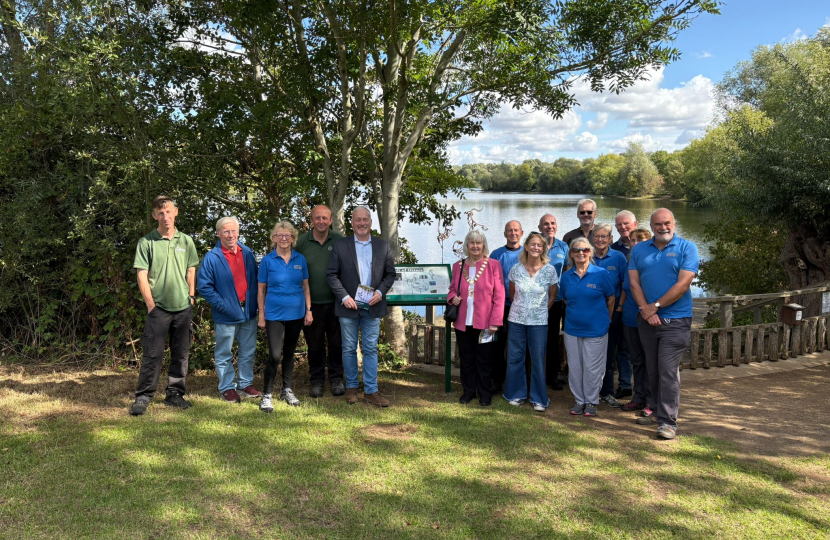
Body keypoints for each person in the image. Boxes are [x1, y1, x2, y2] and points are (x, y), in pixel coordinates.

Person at [629, 208, 699, 440]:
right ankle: (656, 409)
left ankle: (668, 422)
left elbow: (683, 284)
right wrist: (646, 311)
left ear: (674, 223)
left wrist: (655, 306)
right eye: (658, 224)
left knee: (668, 371)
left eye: (667, 223)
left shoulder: (687, 248)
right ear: (651, 226)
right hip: (648, 321)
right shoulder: (639, 249)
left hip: (676, 320)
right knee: (653, 369)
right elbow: (634, 284)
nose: (663, 227)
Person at [129, 195, 199, 416]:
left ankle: (175, 394)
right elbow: (142, 275)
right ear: (154, 216)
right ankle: (144, 396)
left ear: (175, 212)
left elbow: (191, 270)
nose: (165, 216)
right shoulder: (146, 242)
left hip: (182, 308)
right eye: (160, 213)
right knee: (152, 353)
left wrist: (190, 297)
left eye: (168, 211)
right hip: (158, 308)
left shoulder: (186, 241)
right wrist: (151, 305)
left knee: (181, 353)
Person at [327, 206, 396, 407]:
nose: (362, 223)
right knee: (348, 348)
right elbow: (331, 275)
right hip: (348, 306)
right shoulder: (341, 246)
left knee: (371, 349)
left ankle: (371, 390)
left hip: (372, 306)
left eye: (365, 219)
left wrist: (380, 292)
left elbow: (390, 274)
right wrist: (344, 297)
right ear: (352, 223)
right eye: (358, 220)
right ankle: (351, 388)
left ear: (370, 222)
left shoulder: (383, 246)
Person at [197, 216, 262, 403]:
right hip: (225, 315)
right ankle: (226, 387)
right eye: (226, 231)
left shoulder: (247, 253)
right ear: (218, 233)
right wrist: (223, 305)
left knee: (248, 351)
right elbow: (204, 287)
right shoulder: (212, 257)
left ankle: (244, 384)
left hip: (248, 312)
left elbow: (256, 281)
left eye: (234, 231)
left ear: (238, 232)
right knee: (224, 353)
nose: (230, 235)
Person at [257, 221, 313, 413]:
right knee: (274, 355)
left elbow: (306, 287)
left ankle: (287, 390)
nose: (283, 238)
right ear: (274, 238)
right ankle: (267, 394)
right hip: (274, 314)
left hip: (296, 313)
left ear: (293, 238)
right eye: (279, 235)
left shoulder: (300, 260)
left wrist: (309, 310)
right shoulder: (267, 261)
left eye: (287, 235)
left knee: (289, 354)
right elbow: (260, 290)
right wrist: (262, 316)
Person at [447, 230, 505, 406]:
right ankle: (469, 391)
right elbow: (451, 289)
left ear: (483, 245)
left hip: (485, 322)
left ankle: (485, 393)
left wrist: (495, 321)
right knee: (466, 358)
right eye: (471, 242)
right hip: (463, 321)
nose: (475, 246)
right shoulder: (458, 266)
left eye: (478, 243)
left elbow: (499, 295)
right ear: (467, 245)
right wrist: (452, 298)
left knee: (485, 359)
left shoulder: (493, 265)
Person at [559, 237, 615, 417]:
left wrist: (606, 319)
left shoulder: (601, 273)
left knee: (593, 368)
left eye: (585, 250)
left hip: (596, 329)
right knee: (575, 367)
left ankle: (591, 401)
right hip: (572, 329)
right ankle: (579, 400)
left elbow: (611, 299)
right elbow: (566, 299)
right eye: (576, 250)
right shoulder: (567, 276)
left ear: (590, 252)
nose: (581, 253)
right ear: (571, 254)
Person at [504, 232, 559, 412]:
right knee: (515, 358)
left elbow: (552, 297)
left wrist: (539, 311)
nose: (536, 248)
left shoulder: (550, 270)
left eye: (539, 245)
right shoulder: (516, 269)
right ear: (526, 246)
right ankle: (516, 394)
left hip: (539, 322)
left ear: (543, 249)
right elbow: (512, 295)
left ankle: (538, 398)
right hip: (516, 320)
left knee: (537, 359)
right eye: (532, 244)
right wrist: (523, 309)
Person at [295, 205, 345, 398]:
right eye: (318, 218)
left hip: (337, 303)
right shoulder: (302, 242)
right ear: (312, 220)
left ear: (331, 220)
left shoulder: (340, 241)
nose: (321, 221)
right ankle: (316, 380)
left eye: (325, 218)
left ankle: (336, 379)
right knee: (314, 344)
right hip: (311, 304)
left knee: (336, 343)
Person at [592, 223, 630, 408]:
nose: (600, 239)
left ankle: (606, 391)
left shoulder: (618, 257)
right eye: (597, 236)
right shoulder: (586, 256)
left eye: (603, 236)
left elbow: (624, 284)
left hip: (612, 310)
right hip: (591, 311)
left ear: (610, 239)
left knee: (609, 352)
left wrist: (620, 306)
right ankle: (590, 390)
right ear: (593, 239)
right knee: (591, 352)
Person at [619, 228, 654, 414]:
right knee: (637, 360)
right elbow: (626, 288)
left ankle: (651, 400)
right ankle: (638, 396)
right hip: (630, 318)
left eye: (640, 240)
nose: (635, 244)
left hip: (647, 317)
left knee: (650, 361)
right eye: (632, 240)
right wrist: (620, 306)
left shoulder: (651, 263)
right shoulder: (628, 262)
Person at [488, 220, 523, 394]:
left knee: (518, 345)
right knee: (498, 346)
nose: (513, 233)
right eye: (510, 231)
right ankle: (497, 381)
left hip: (522, 307)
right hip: (500, 306)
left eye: (516, 230)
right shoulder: (496, 254)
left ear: (521, 233)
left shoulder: (528, 253)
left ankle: (518, 381)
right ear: (505, 234)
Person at [539, 213, 568, 391]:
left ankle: (552, 376)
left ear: (556, 226)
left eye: (552, 223)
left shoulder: (563, 246)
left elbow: (566, 272)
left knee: (552, 338)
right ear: (540, 227)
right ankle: (534, 375)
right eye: (546, 224)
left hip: (555, 301)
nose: (550, 227)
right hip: (535, 301)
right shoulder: (535, 245)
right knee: (534, 339)